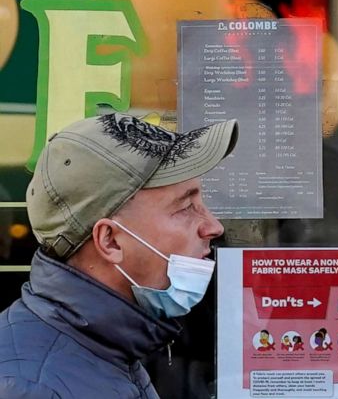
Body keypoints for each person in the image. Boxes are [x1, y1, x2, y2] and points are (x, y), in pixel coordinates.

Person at [0, 113, 237, 398]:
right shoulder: (32, 386)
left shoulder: (111, 346)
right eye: (185, 207)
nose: (214, 226)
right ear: (110, 241)